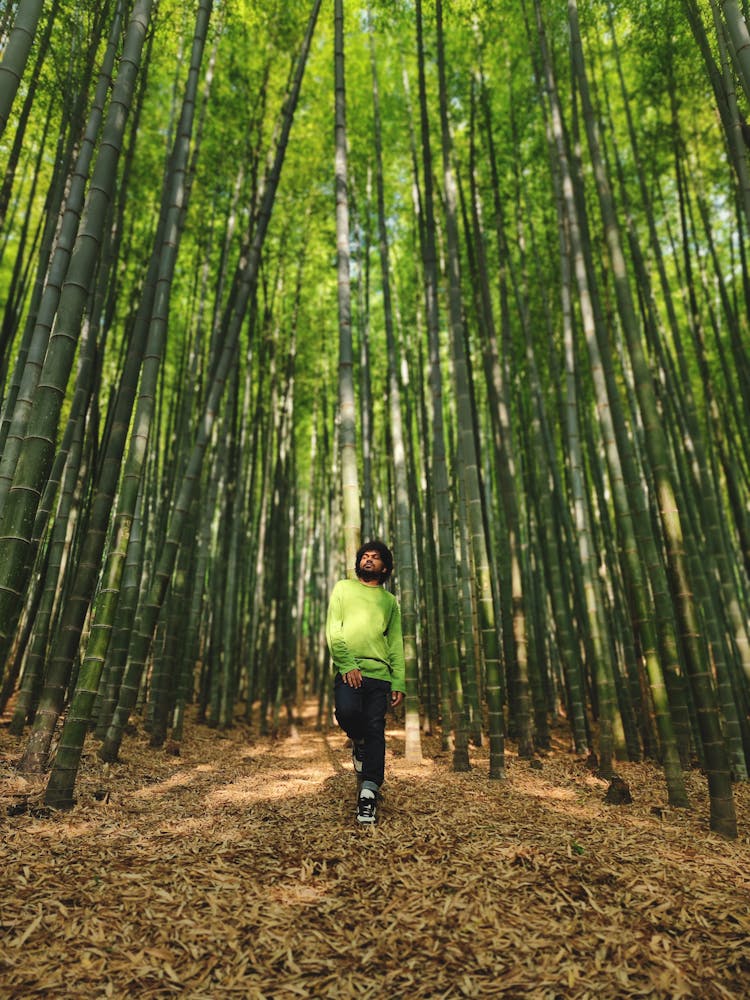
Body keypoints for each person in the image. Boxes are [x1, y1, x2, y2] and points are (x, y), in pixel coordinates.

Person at [326, 540, 405, 824]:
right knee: (345, 713)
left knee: (375, 729)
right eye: (365, 556)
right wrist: (346, 663)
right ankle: (357, 743)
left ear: (385, 567)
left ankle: (369, 793)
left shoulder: (389, 601)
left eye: (376, 557)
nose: (369, 560)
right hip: (350, 670)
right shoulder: (343, 588)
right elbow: (334, 629)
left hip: (380, 675)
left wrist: (399, 681)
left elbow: (395, 643)